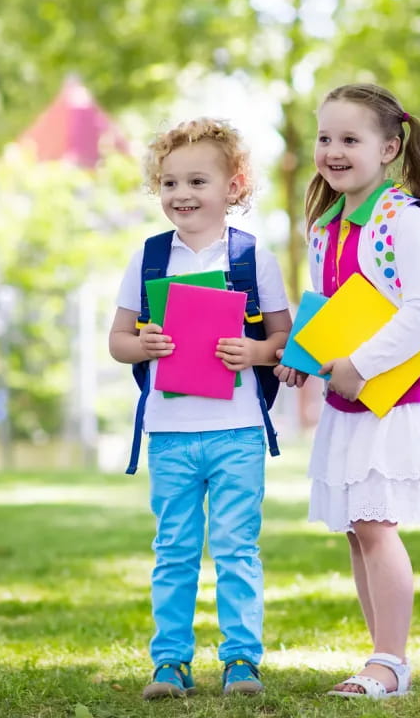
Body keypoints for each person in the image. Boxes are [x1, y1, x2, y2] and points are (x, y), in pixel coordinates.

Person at [275, 83, 420, 699]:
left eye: (349, 139)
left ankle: (389, 662)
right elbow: (331, 305)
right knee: (359, 525)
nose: (332, 150)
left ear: (389, 148)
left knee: (376, 524)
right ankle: (382, 659)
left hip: (396, 396)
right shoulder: (328, 224)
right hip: (349, 395)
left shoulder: (403, 218)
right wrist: (305, 354)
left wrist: (358, 361)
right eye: (324, 138)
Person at [109, 118, 291, 699]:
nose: (181, 195)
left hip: (236, 431)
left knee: (237, 548)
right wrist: (146, 345)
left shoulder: (252, 258)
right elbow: (118, 342)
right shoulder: (149, 258)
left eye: (196, 181)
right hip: (169, 433)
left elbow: (286, 345)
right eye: (168, 183)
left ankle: (242, 660)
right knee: (175, 550)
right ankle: (170, 662)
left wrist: (254, 350)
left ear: (234, 186)